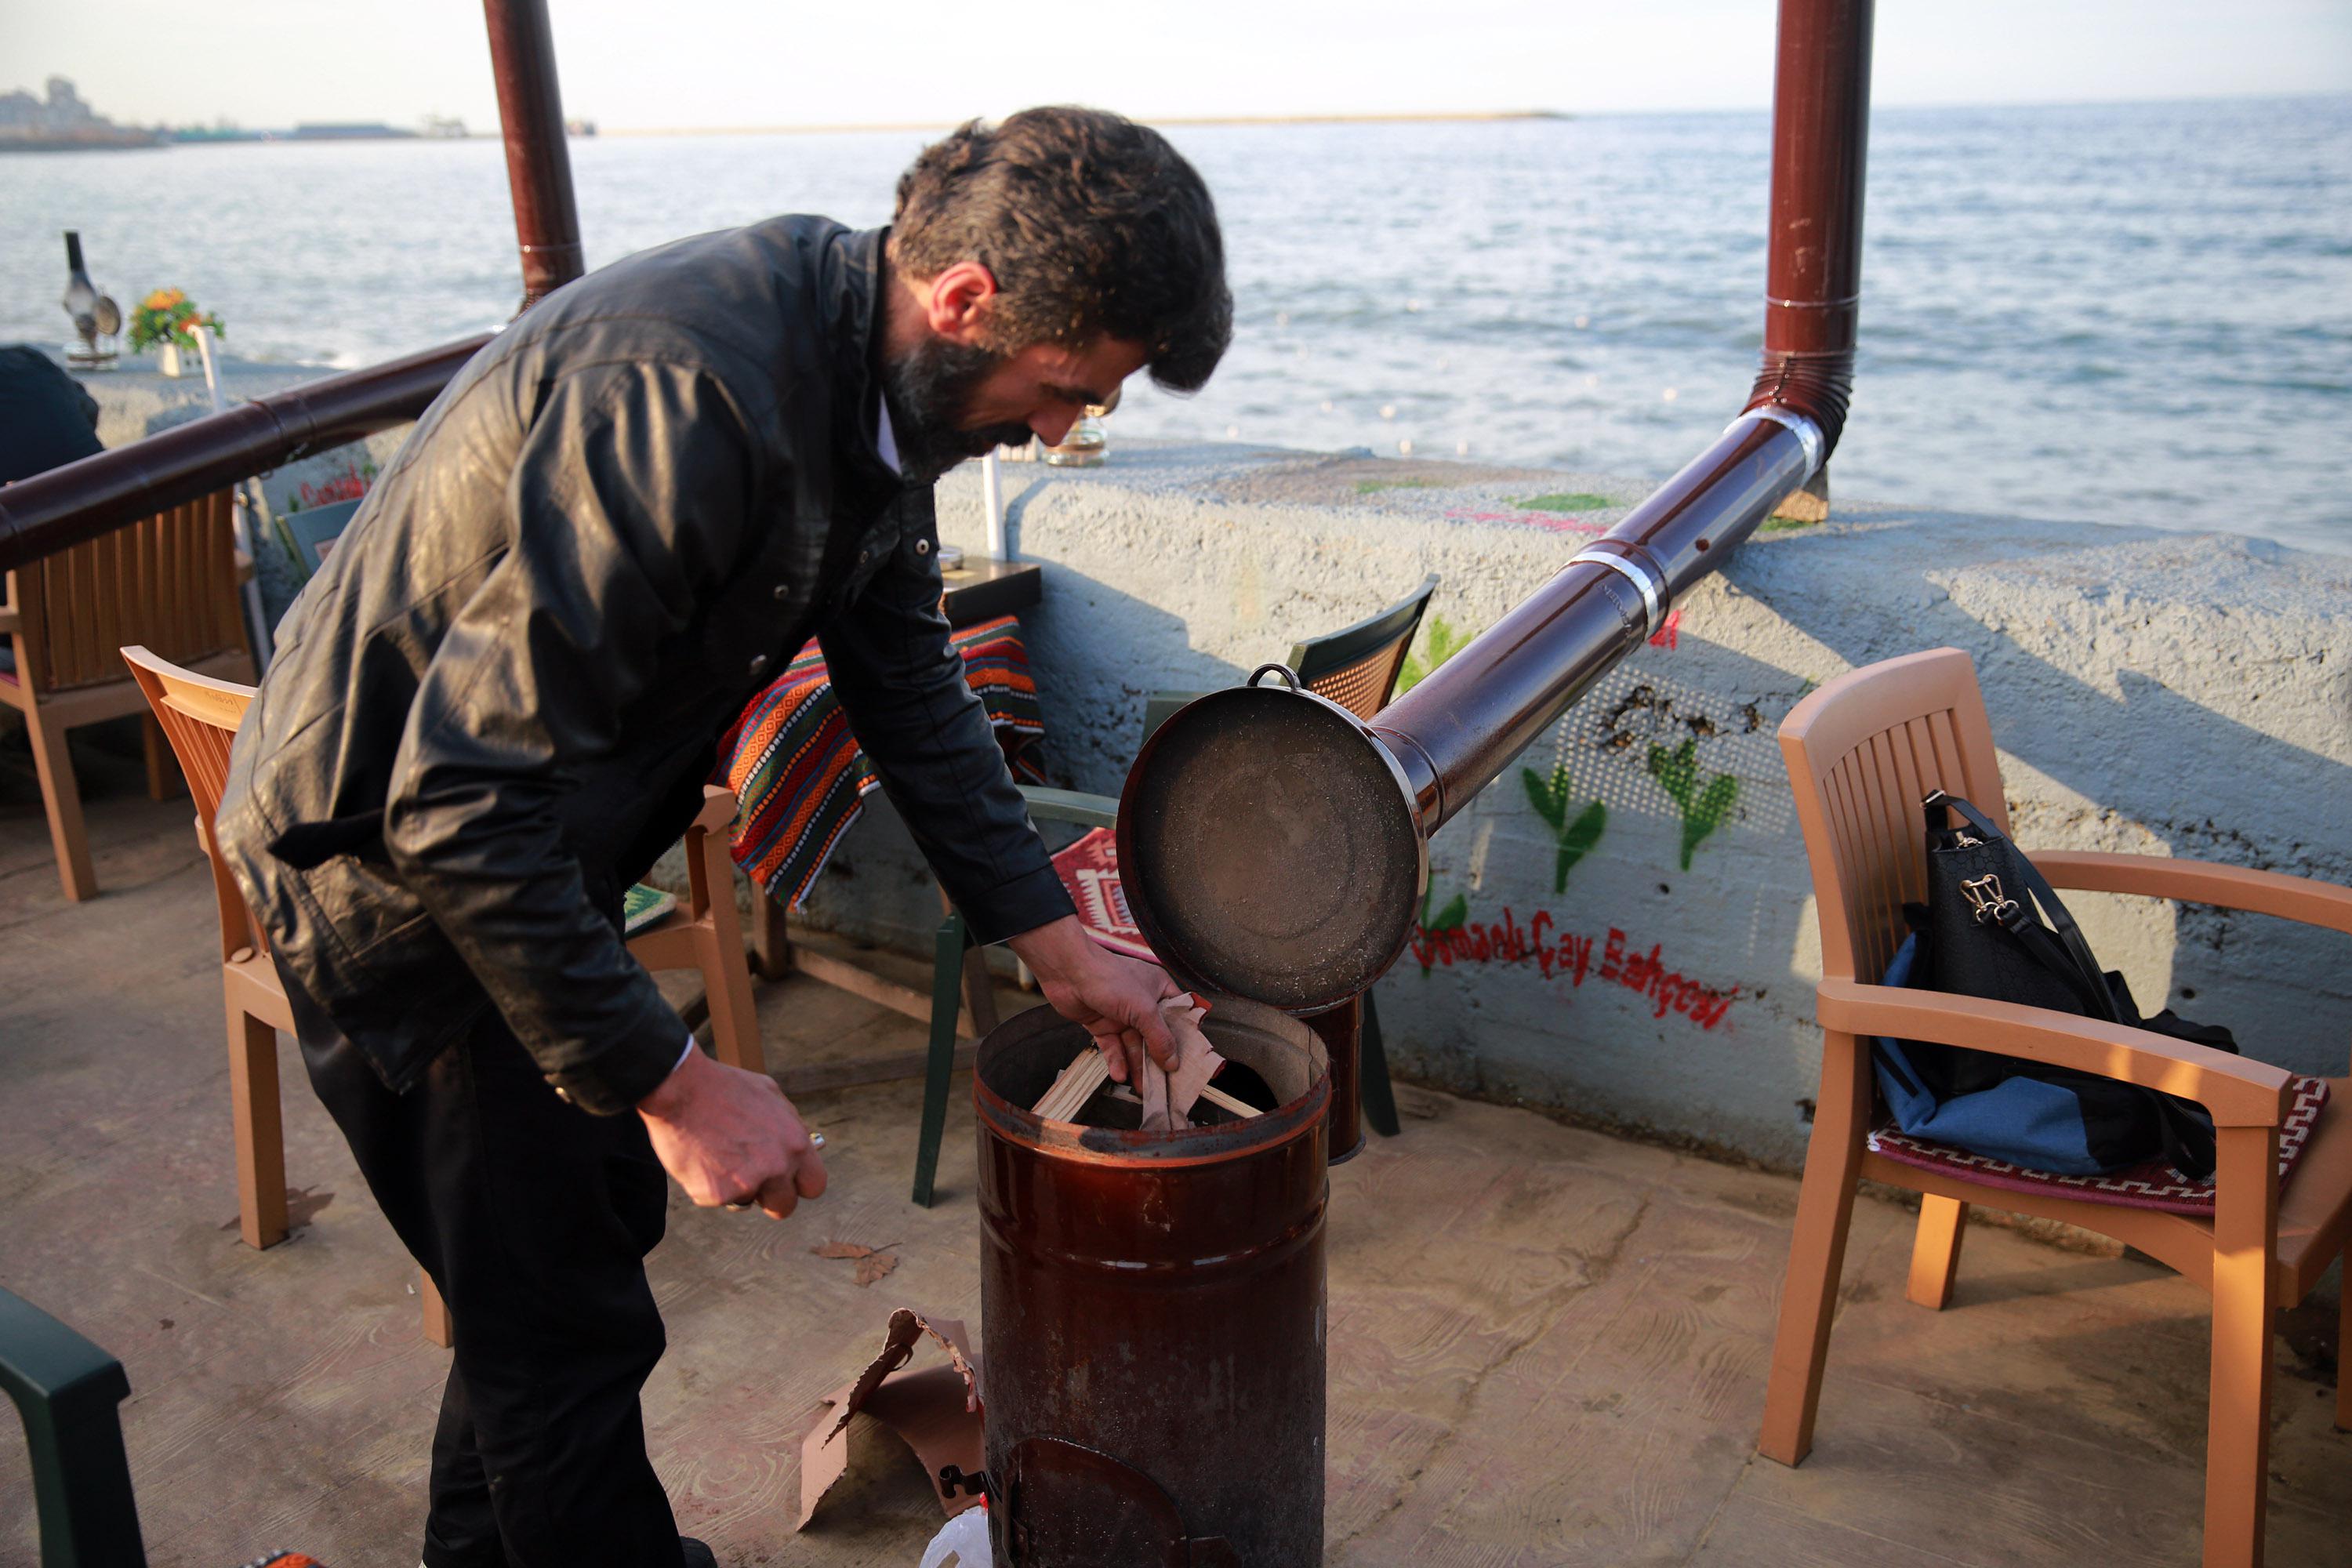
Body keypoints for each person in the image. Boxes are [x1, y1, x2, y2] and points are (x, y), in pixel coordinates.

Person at [214, 106, 1230, 1568]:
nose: (1062, 431)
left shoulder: (885, 385)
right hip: (393, 879)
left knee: (546, 1282)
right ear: (965, 300)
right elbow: (452, 796)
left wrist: (1058, 945)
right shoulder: (693, 394)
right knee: (562, 1319)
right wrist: (676, 1081)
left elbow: (904, 671)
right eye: (1067, 388)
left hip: (519, 849)